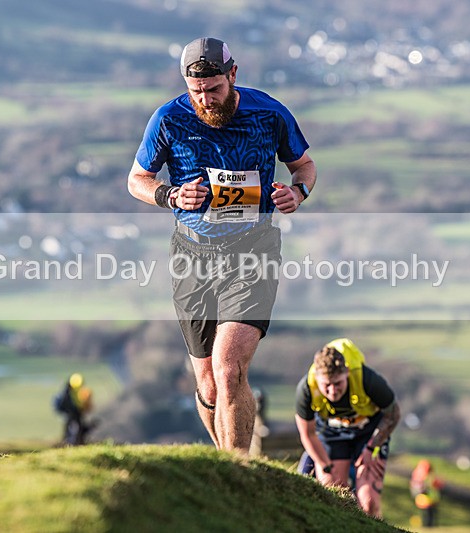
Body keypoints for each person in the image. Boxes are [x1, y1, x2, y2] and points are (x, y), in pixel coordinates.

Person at [127, 37, 317, 454]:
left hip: (254, 250)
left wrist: (298, 193)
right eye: (197, 92)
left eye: (214, 89)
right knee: (209, 383)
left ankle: (239, 472)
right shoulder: (168, 119)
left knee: (228, 367)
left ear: (233, 74)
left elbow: (303, 165)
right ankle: (225, 463)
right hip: (192, 256)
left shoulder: (268, 112)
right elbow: (136, 179)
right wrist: (170, 196)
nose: (206, 100)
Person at [294, 338, 400, 518]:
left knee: (369, 503)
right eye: (326, 385)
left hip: (369, 433)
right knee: (332, 496)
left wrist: (371, 448)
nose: (333, 391)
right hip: (332, 433)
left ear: (348, 373)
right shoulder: (306, 389)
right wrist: (325, 465)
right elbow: (307, 433)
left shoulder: (367, 379)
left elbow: (393, 414)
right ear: (317, 379)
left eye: (338, 383)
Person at [53, 373, 94, 445]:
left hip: (74, 412)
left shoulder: (69, 392)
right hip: (72, 412)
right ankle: (71, 442)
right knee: (73, 427)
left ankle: (72, 442)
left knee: (74, 426)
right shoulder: (68, 394)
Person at [410, 459, 444, 527]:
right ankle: (427, 525)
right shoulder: (424, 474)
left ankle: (428, 525)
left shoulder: (418, 473)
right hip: (425, 497)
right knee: (427, 512)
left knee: (427, 512)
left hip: (427, 497)